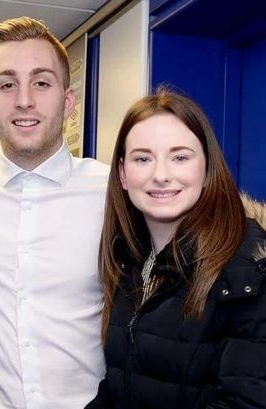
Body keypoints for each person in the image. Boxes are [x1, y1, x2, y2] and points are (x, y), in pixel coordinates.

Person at [0, 16, 109, 409]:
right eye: (7, 84)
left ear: (68, 101)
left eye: (42, 82)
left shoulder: (112, 192)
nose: (24, 100)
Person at [85, 89, 266, 408]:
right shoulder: (131, 264)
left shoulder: (248, 267)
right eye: (143, 159)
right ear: (124, 174)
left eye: (180, 157)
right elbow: (120, 386)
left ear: (207, 169)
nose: (161, 175)